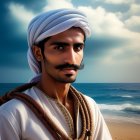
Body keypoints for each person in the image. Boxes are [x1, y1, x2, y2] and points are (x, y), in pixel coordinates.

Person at [0, 9, 112, 140]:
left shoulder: (90, 107)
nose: (71, 59)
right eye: (60, 47)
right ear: (38, 53)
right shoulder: (12, 114)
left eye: (78, 48)